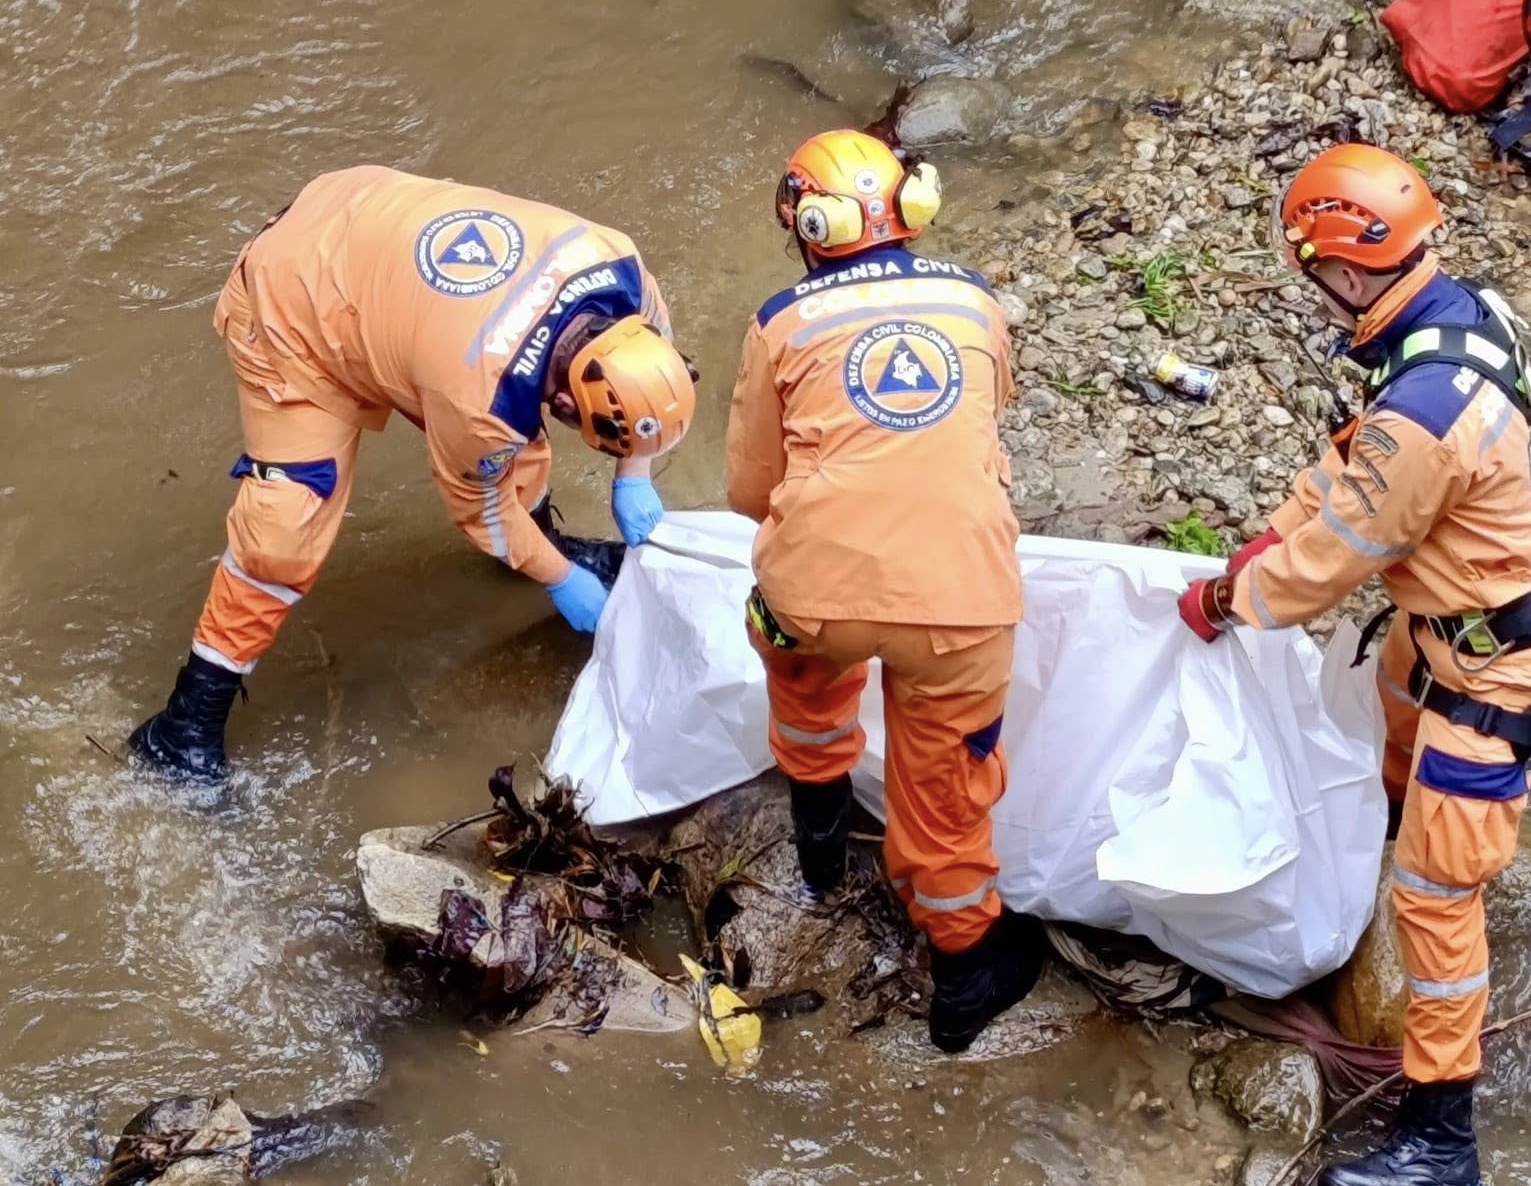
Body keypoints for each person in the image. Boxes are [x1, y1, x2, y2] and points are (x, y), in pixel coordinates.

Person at [1177, 144, 1531, 1185]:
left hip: (1492, 673)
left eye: (1311, 269)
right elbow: (1344, 464)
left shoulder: (1421, 416)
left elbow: (1324, 569)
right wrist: (1264, 536)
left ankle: (1441, 1140)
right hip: (1445, 625)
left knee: (1436, 904)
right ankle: (1378, 866)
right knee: (1384, 741)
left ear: (1349, 268)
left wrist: (1232, 594)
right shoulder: (1444, 318)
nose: (1309, 287)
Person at [130, 165, 697, 781]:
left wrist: (633, 474)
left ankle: (535, 549)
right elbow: (481, 508)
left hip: (375, 233)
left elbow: (647, 396)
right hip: (295, 304)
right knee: (284, 532)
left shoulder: (627, 273)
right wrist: (561, 577)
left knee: (515, 443)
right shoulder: (478, 397)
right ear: (566, 403)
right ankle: (184, 723)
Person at [726, 128, 1042, 1054]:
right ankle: (963, 986)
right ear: (912, 207)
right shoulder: (976, 302)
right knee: (946, 795)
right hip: (960, 602)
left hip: (811, 597)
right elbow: (986, 427)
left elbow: (750, 490)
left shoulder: (780, 321)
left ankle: (821, 858)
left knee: (807, 685)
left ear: (804, 223)